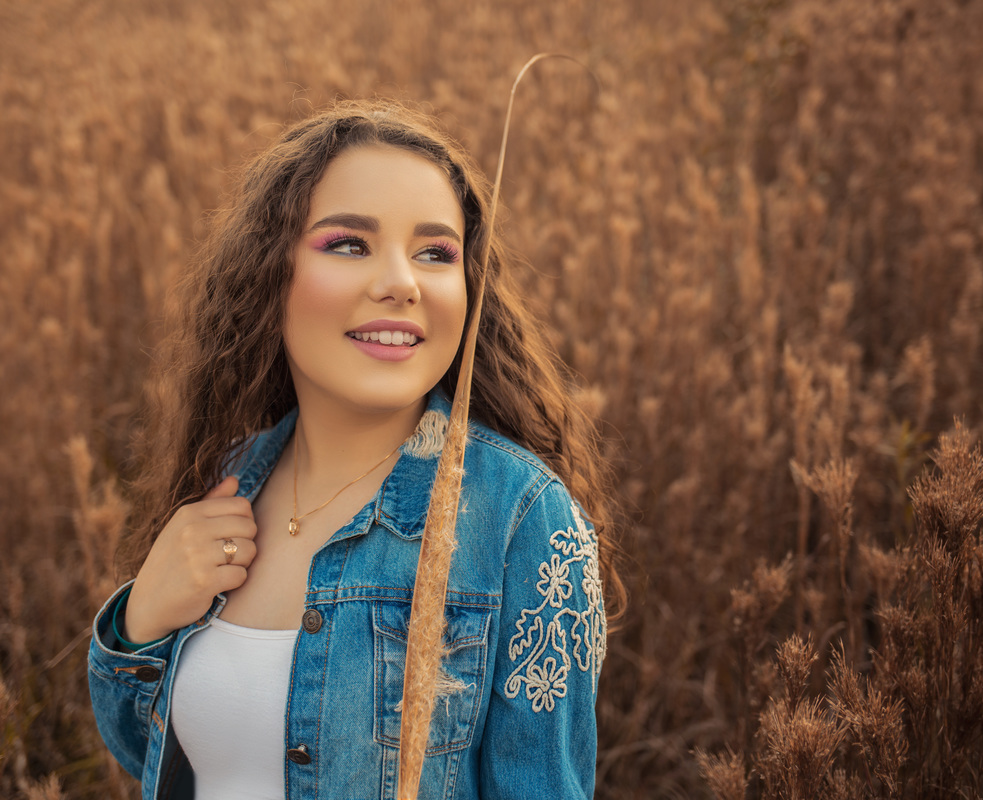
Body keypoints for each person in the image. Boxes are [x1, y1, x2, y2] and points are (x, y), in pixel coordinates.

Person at [87, 100, 622, 800]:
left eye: (435, 253)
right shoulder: (230, 480)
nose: (401, 282)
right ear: (267, 274)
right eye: (349, 244)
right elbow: (162, 756)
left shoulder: (523, 523)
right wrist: (140, 621)